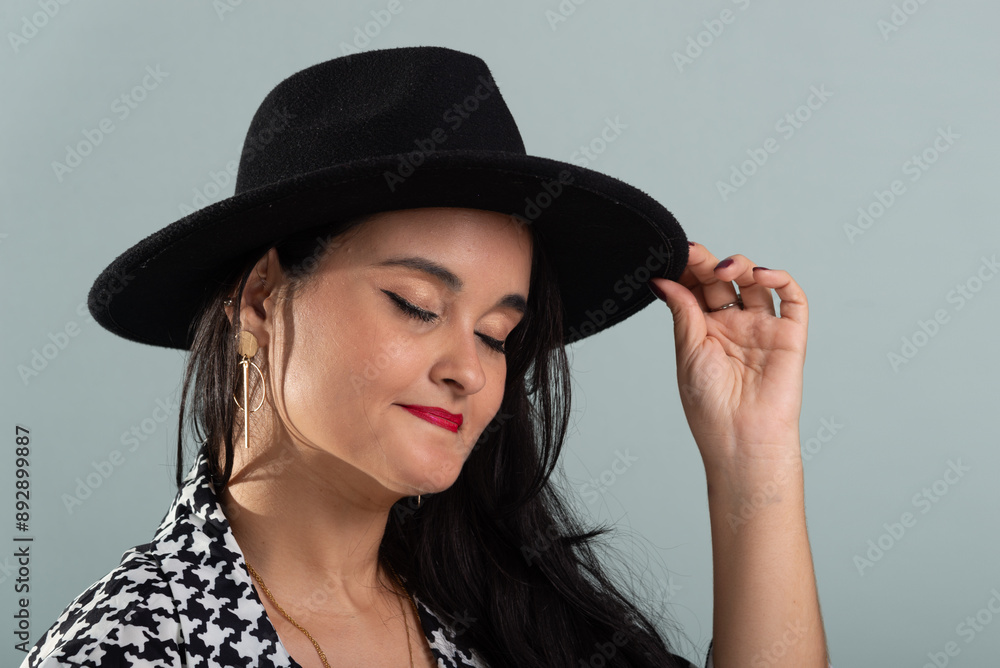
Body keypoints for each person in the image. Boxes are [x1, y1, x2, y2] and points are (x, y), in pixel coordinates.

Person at [20, 46, 831, 667]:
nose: (468, 371)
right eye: (417, 305)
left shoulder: (502, 609)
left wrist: (751, 455)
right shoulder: (130, 648)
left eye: (495, 335)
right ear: (263, 298)